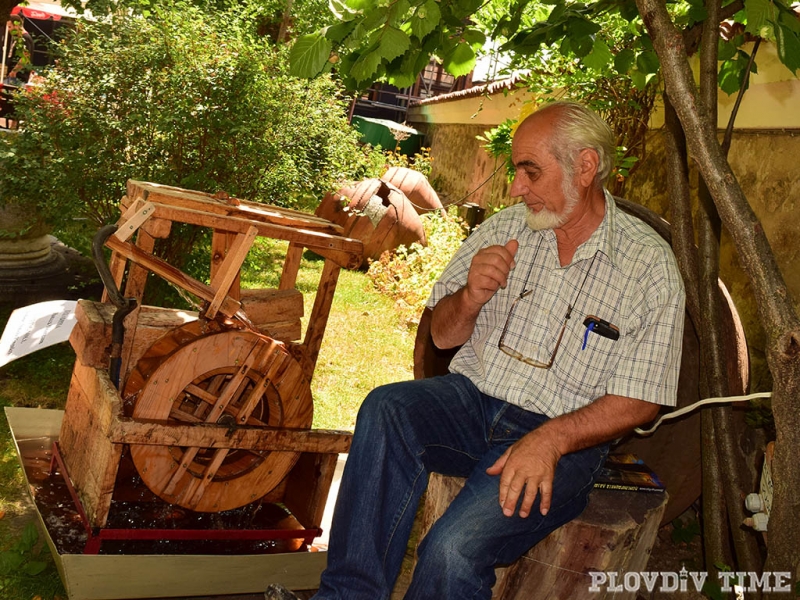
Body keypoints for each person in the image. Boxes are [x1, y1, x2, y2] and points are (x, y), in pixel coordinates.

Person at [266, 101, 685, 600]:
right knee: (387, 407)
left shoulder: (647, 266)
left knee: (453, 550)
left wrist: (551, 440)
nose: (515, 188)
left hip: (564, 438)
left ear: (586, 166)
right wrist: (468, 298)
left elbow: (643, 399)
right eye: (516, 171)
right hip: (472, 401)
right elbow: (441, 337)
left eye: (530, 171)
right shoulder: (505, 230)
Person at [3, 15, 33, 85]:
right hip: (13, 76)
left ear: (16, 25)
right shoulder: (19, 38)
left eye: (10, 27)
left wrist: (14, 71)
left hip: (18, 77)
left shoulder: (25, 38)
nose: (9, 29)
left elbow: (25, 57)